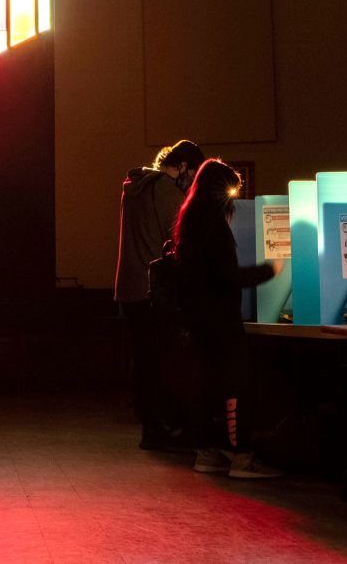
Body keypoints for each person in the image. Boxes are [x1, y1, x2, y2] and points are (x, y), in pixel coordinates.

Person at [171, 158, 283, 478]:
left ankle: (206, 452)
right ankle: (243, 457)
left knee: (207, 385)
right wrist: (271, 269)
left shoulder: (189, 222)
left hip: (197, 320)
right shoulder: (214, 226)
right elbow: (227, 276)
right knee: (237, 386)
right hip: (220, 319)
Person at [114, 140, 205, 450]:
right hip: (155, 290)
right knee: (165, 363)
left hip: (129, 287)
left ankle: (150, 428)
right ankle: (165, 429)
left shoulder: (134, 188)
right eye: (191, 175)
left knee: (143, 362)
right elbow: (180, 235)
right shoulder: (165, 189)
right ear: (182, 167)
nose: (191, 183)